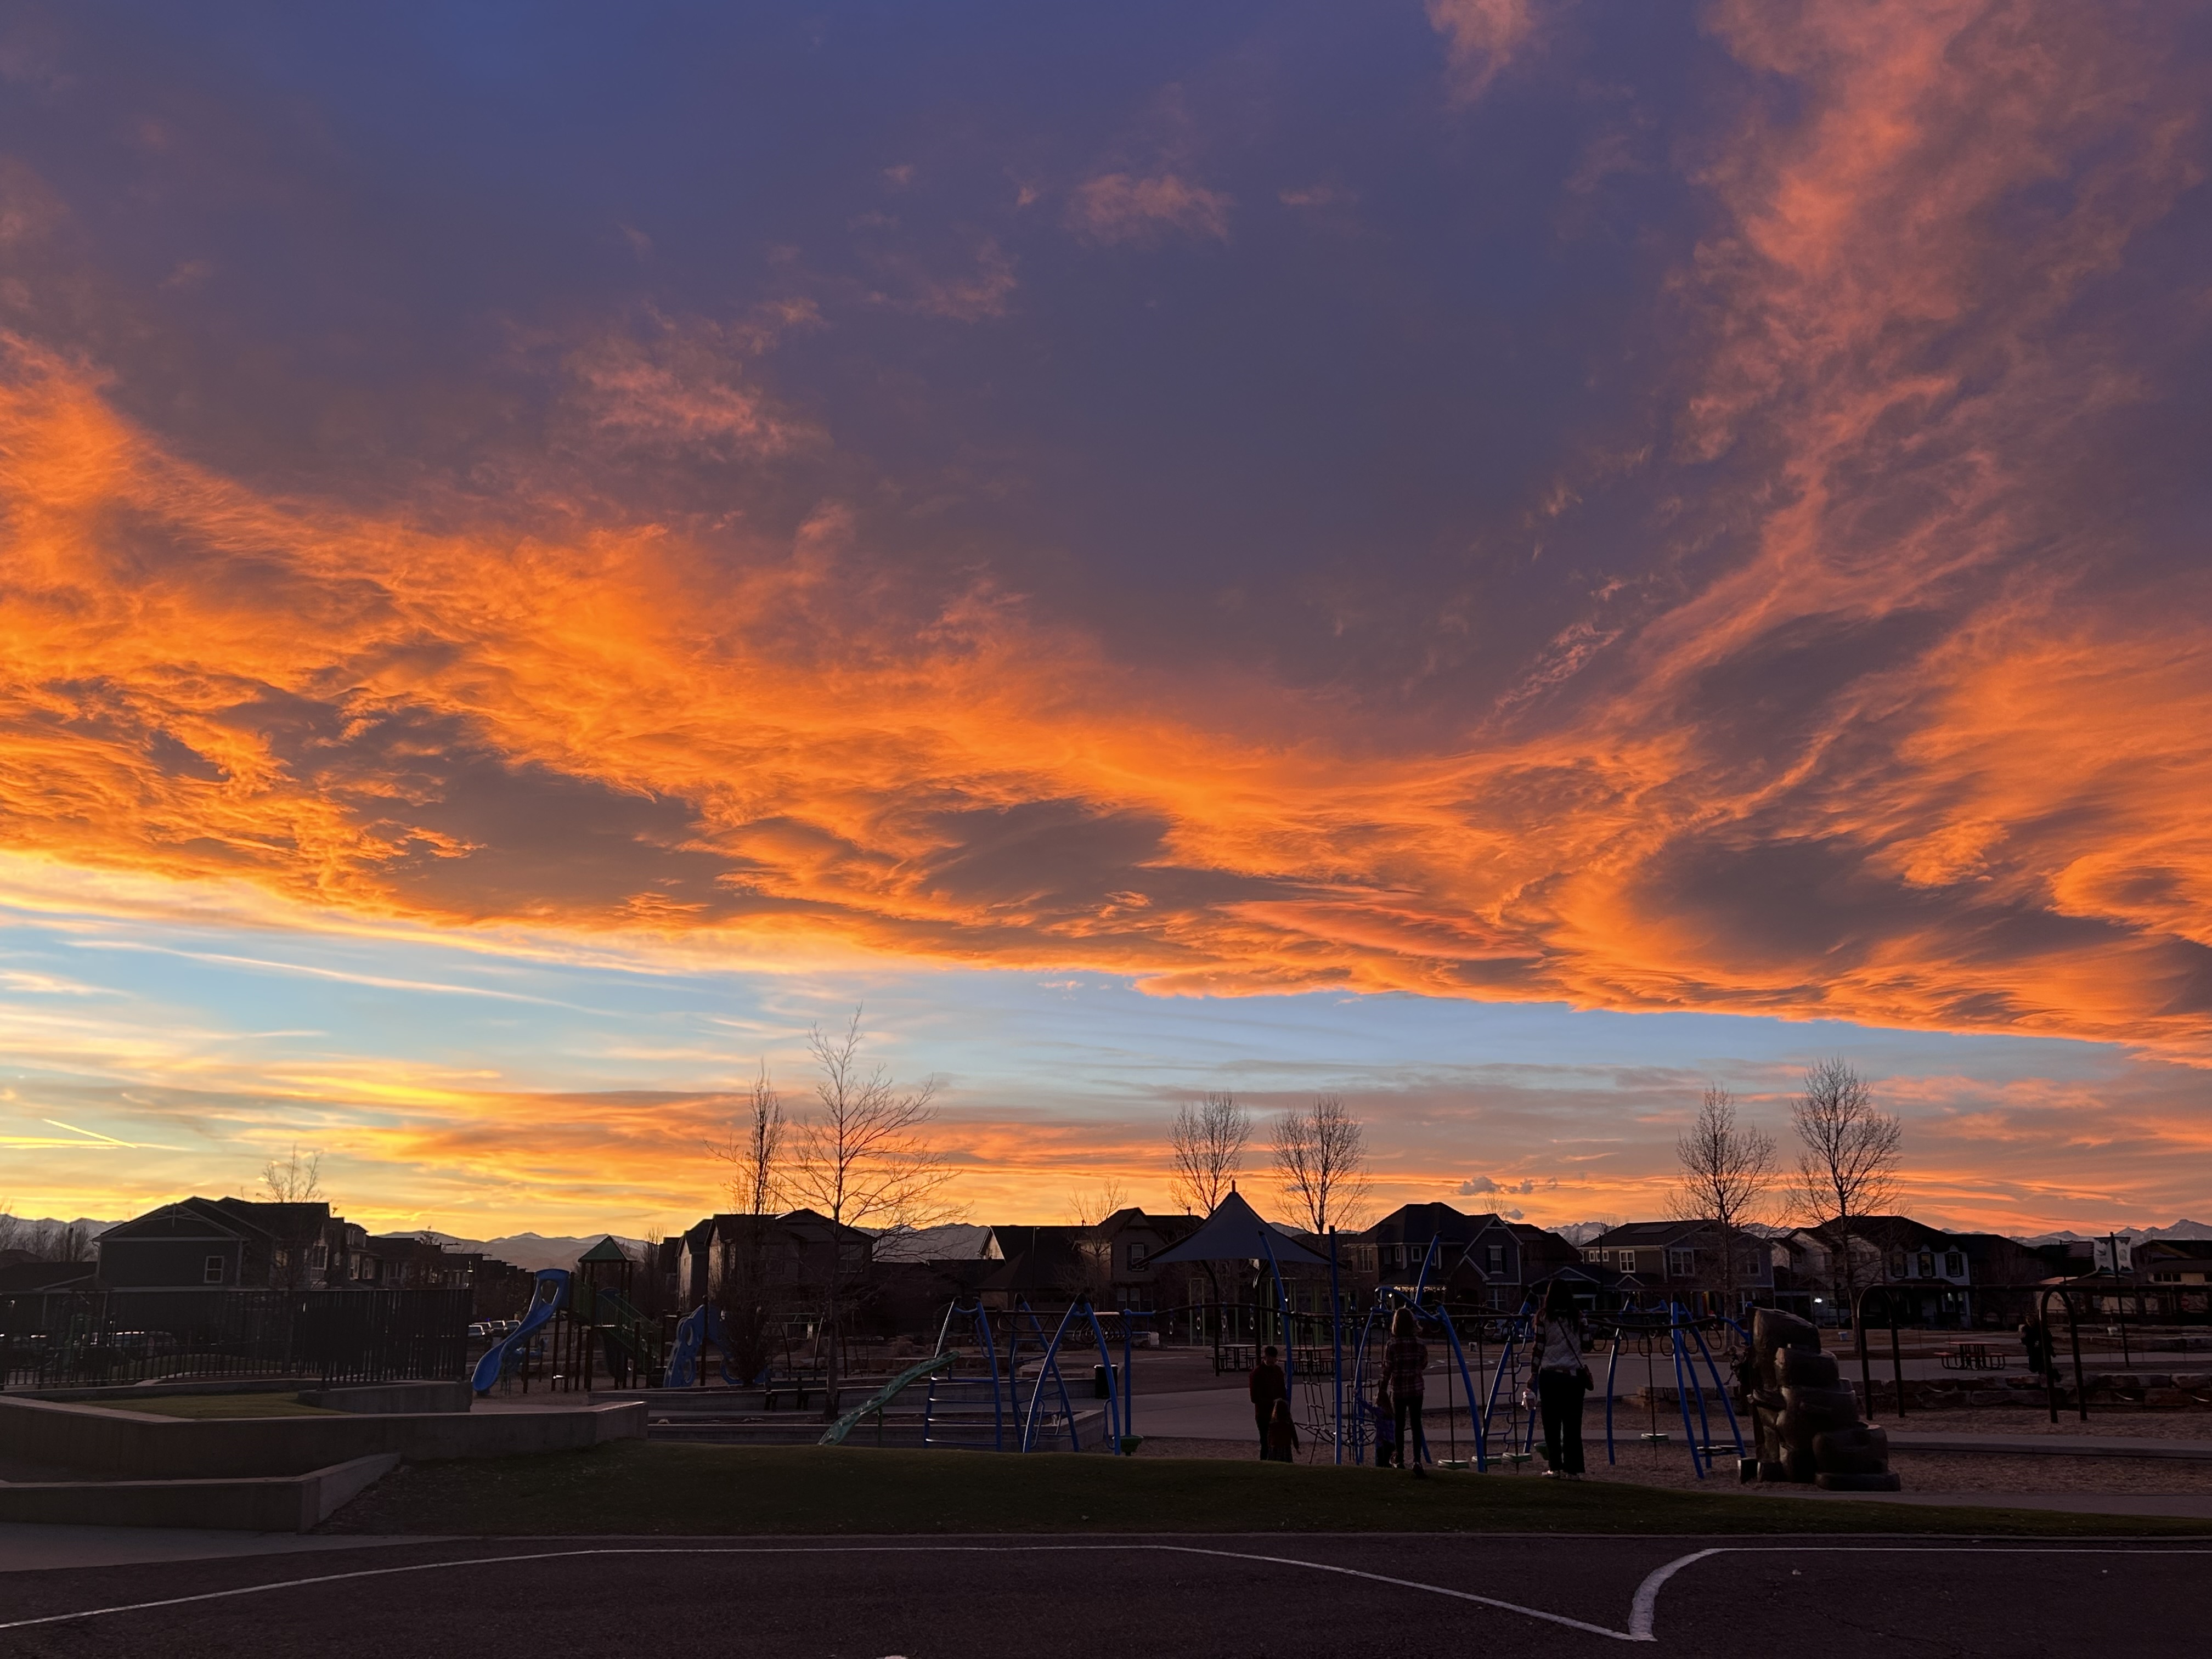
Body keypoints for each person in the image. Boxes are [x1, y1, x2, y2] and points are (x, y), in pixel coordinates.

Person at [1533, 1278, 1590, 1480]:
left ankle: (1555, 1466)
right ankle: (1573, 1469)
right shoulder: (1578, 1317)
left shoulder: (1543, 1317)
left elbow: (1539, 1348)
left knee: (1551, 1423)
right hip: (1574, 1376)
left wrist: (1533, 1374)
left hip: (1550, 1375)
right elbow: (1587, 1344)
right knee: (1573, 1425)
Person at [1384, 1307, 1427, 1477]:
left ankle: (1400, 1457)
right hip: (1416, 1388)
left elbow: (1388, 1369)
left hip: (1399, 1389)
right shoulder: (1420, 1344)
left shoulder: (1392, 1345)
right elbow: (1423, 1363)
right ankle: (1417, 1460)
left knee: (1399, 1424)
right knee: (1417, 1424)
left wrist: (1382, 1388)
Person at [1248, 1344, 1287, 1460]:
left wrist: (1282, 1402)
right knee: (1265, 1441)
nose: (1274, 1361)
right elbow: (1254, 1398)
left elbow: (1282, 1389)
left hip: (1277, 1412)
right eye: (1271, 1358)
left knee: (1278, 1441)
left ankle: (1276, 1460)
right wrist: (1272, 1401)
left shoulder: (1278, 1371)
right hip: (1264, 1414)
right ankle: (1265, 1462)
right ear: (1266, 1357)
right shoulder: (1257, 1373)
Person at [1263, 1397, 1299, 1463]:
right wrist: (1296, 1446)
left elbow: (1269, 1435)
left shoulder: (1273, 1422)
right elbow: (1294, 1434)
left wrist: (1269, 1445)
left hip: (1274, 1446)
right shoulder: (1288, 1421)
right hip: (1285, 1446)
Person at [1371, 1381, 1398, 1468]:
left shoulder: (1380, 1411)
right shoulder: (1390, 1412)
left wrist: (1358, 1397)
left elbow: (1368, 1407)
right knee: (1389, 1462)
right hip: (1392, 1442)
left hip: (1383, 1442)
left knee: (1382, 1461)